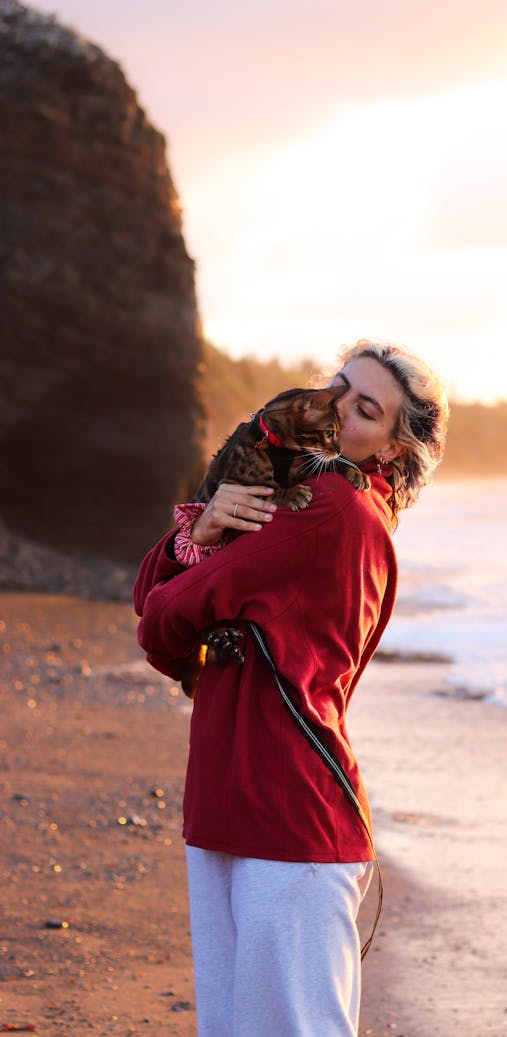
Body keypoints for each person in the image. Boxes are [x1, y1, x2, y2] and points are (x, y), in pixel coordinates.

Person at [134, 339, 448, 1037]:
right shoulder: (306, 500)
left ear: (391, 451)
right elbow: (156, 602)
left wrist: (205, 539)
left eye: (365, 408)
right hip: (235, 801)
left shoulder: (332, 507)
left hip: (288, 818)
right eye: (337, 388)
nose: (338, 409)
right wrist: (208, 527)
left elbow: (159, 620)